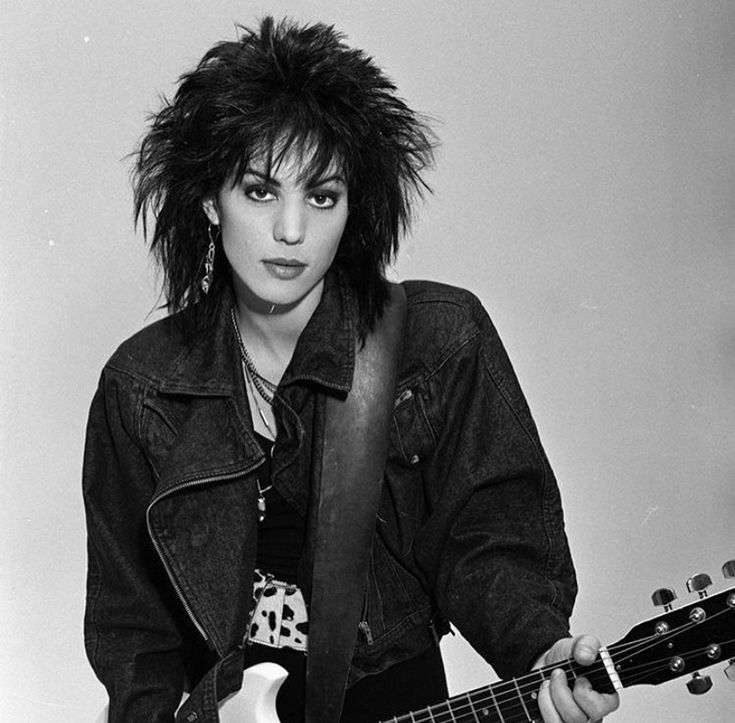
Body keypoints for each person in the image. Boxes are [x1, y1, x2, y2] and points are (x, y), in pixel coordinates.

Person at [82, 16, 620, 723]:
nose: (291, 231)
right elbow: (134, 633)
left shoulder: (436, 340)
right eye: (260, 190)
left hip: (396, 699)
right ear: (210, 198)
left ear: (353, 208)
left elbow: (487, 541)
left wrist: (541, 650)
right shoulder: (140, 387)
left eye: (322, 196)